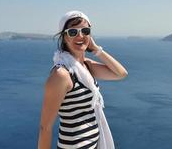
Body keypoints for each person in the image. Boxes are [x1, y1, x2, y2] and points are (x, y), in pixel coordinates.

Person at [37, 11, 128, 149]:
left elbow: (121, 73)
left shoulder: (86, 66)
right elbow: (45, 127)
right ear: (64, 36)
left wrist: (96, 49)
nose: (80, 36)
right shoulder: (62, 75)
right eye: (73, 32)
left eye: (85, 31)